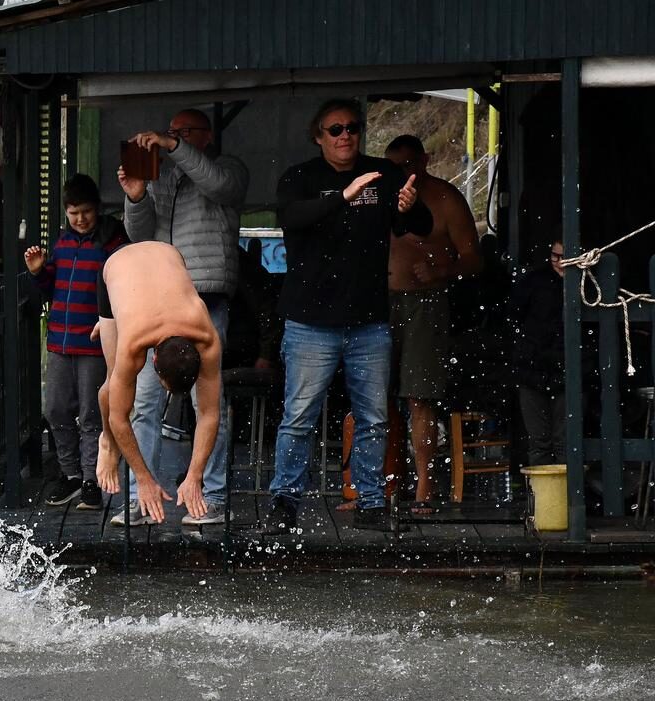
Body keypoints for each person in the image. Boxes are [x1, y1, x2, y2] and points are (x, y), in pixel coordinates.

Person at [265, 99, 433, 532]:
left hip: (368, 321)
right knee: (299, 417)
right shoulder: (300, 177)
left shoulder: (383, 172)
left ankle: (371, 502)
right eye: (335, 130)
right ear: (318, 136)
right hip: (309, 322)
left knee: (374, 417)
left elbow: (421, 224)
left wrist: (409, 206)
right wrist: (344, 196)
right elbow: (290, 217)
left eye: (352, 128)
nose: (345, 137)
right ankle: (284, 503)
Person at [116, 108, 249, 525]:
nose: (167, 138)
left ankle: (209, 494)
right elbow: (139, 237)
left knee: (207, 400)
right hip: (158, 301)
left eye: (180, 132)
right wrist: (137, 194)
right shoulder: (161, 175)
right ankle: (143, 495)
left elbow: (219, 185)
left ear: (203, 136)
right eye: (169, 132)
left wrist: (175, 147)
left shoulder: (228, 168)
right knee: (144, 402)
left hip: (205, 296)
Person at [385, 134, 483, 516]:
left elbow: (474, 258)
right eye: (395, 165)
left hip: (426, 303)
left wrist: (443, 269)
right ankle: (382, 483)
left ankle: (424, 483)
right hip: (379, 304)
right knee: (374, 396)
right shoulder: (378, 194)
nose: (403, 172)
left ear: (424, 160)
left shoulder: (445, 198)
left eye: (409, 164)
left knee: (419, 395)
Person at [94, 242, 224, 522]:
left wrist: (194, 476)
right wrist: (143, 479)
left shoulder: (207, 338)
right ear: (151, 360)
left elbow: (210, 413)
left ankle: (114, 317)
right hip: (117, 265)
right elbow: (119, 418)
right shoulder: (133, 346)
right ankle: (107, 444)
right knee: (110, 384)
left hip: (168, 257)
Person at [23, 173, 126, 510]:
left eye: (85, 212)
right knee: (54, 410)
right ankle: (70, 475)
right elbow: (50, 289)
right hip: (59, 343)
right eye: (73, 213)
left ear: (96, 209)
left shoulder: (111, 243)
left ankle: (91, 481)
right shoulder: (63, 243)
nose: (80, 219)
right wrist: (39, 272)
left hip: (95, 344)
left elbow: (123, 289)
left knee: (92, 414)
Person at [509, 239, 568, 465]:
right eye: (556, 256)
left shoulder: (585, 282)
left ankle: (564, 498)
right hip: (534, 367)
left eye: (565, 257)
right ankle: (547, 499)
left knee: (563, 441)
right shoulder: (534, 282)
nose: (560, 263)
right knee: (540, 441)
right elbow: (514, 317)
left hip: (561, 368)